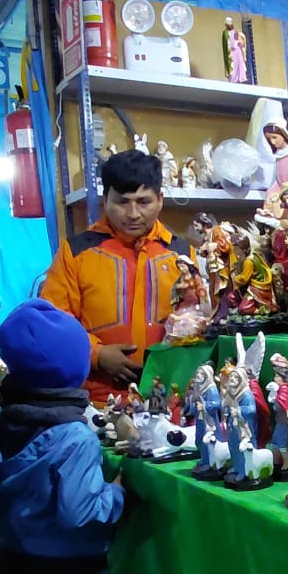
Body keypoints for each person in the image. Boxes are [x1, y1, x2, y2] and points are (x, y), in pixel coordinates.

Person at [0, 299, 124, 574]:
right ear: (76, 370)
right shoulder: (75, 438)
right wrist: (117, 492)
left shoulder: (0, 423)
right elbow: (80, 513)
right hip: (70, 570)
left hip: (14, 556)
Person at [41, 150, 195, 405]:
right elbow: (53, 322)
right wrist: (97, 355)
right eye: (122, 202)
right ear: (105, 201)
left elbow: (197, 320)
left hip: (170, 399)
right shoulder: (76, 253)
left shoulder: (181, 254)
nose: (133, 213)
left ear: (160, 200)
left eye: (143, 202)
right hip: (95, 402)